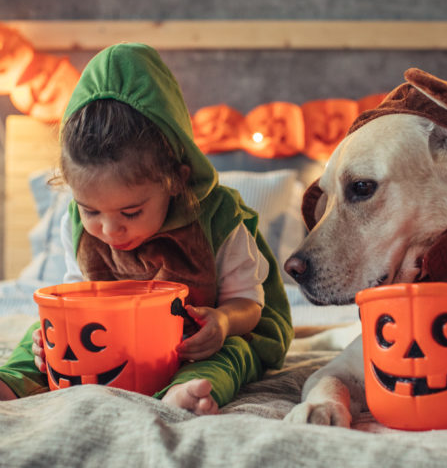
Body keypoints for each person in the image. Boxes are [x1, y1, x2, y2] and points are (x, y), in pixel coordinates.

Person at [0, 43, 293, 414]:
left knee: (234, 351)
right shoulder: (74, 226)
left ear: (175, 180)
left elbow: (248, 307)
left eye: (131, 212)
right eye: (90, 210)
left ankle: (187, 391)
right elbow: (76, 302)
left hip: (198, 341)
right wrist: (52, 339)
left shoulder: (219, 221)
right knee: (38, 338)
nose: (109, 230)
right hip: (113, 338)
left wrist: (221, 320)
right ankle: (10, 382)